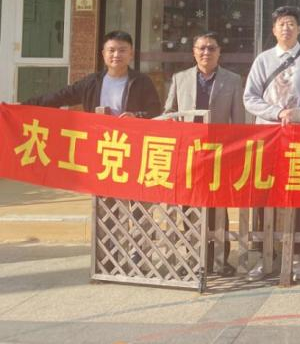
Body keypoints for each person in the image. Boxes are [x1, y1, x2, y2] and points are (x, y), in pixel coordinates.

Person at [243, 5, 300, 282]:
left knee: (298, 194)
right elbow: (250, 98)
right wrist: (277, 113)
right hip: (268, 137)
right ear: (274, 29)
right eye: (281, 24)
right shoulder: (263, 60)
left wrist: (298, 113)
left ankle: (297, 255)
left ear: (299, 29)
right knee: (263, 194)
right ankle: (263, 255)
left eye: (291, 23)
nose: (286, 28)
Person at [164, 31, 246, 276]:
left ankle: (219, 261)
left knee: (217, 208)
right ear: (194, 52)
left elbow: (238, 120)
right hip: (188, 154)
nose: (206, 52)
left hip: (218, 154)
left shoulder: (232, 80)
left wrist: (235, 152)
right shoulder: (180, 78)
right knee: (189, 207)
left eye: (211, 48)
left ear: (219, 52)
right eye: (201, 48)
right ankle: (193, 258)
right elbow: (169, 112)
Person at [24, 30, 161, 119]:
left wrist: (136, 116)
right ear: (103, 54)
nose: (116, 55)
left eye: (122, 50)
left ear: (131, 54)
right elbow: (60, 96)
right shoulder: (92, 82)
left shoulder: (142, 82)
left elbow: (156, 112)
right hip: (98, 141)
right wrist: (24, 106)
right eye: (111, 50)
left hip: (128, 143)